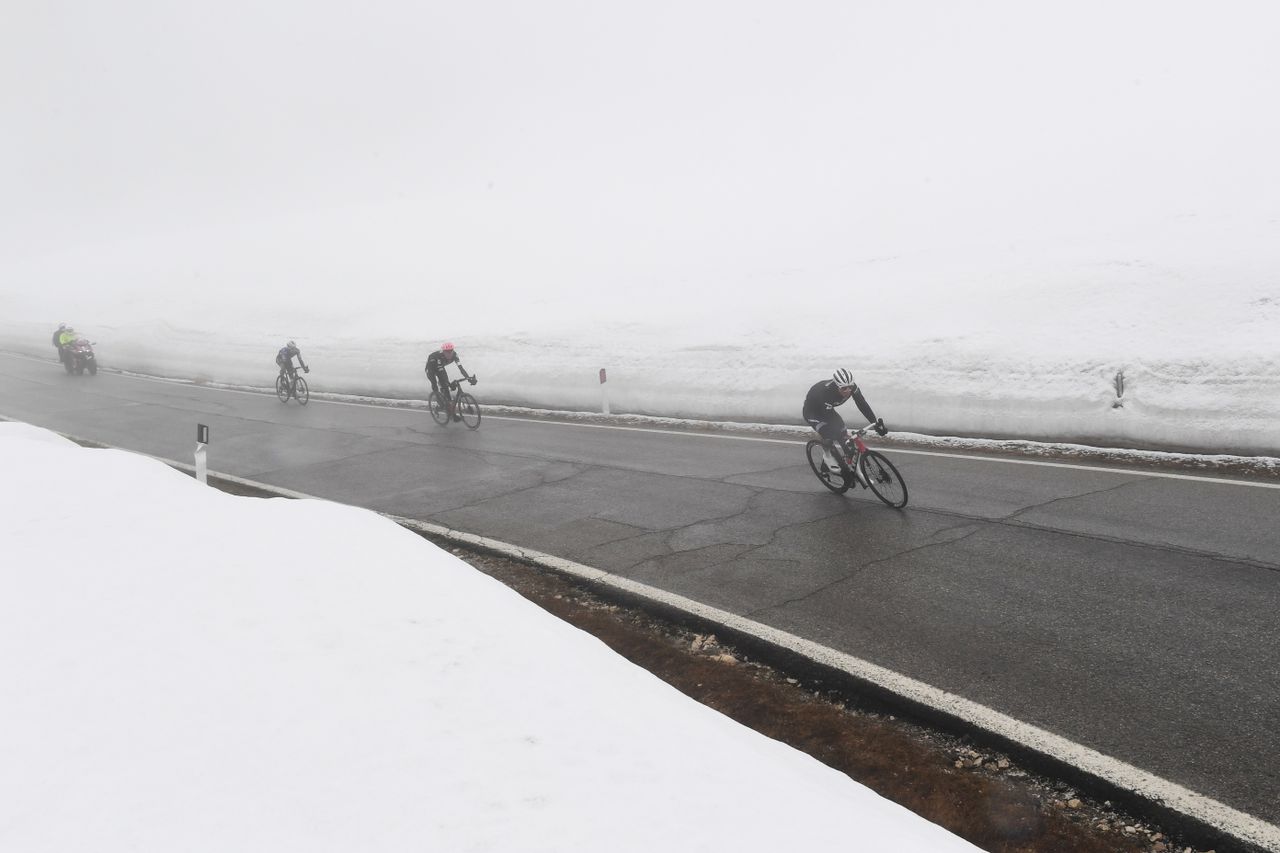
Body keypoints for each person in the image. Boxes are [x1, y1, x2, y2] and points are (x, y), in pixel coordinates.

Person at [803, 368, 887, 474]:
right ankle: (827, 456)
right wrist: (840, 435)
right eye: (844, 388)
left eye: (850, 387)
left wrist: (874, 423)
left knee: (843, 434)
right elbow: (828, 417)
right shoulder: (826, 392)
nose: (848, 391)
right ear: (836, 386)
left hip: (828, 409)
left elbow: (862, 404)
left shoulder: (852, 388)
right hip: (813, 412)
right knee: (829, 434)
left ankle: (847, 468)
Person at [425, 342, 474, 420]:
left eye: (451, 351)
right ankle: (439, 401)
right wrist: (448, 383)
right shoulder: (438, 357)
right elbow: (442, 373)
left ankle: (449, 410)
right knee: (435, 383)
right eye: (447, 351)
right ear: (443, 351)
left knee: (446, 388)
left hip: (440, 368)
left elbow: (461, 368)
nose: (449, 353)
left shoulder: (455, 355)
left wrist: (468, 378)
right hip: (431, 368)